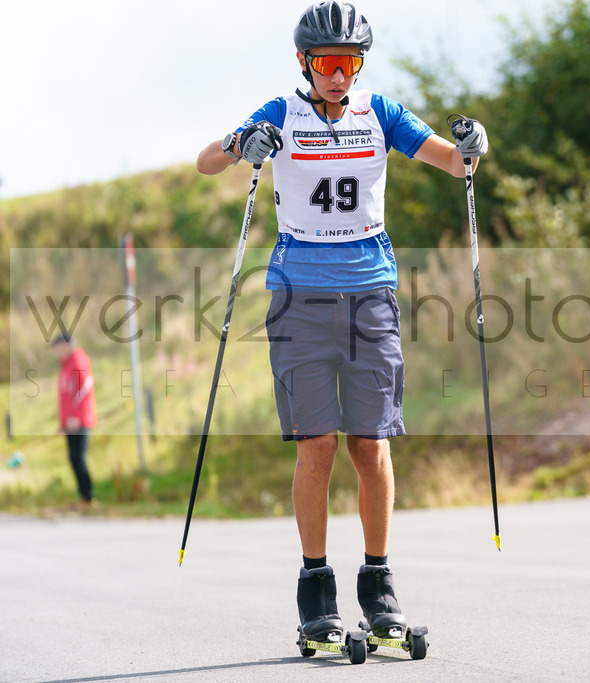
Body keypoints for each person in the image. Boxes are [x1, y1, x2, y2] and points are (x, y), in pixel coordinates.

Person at [196, 1, 488, 642]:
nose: (340, 76)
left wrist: (472, 147)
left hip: (371, 297)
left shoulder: (378, 112)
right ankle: (315, 590)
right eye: (329, 63)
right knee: (317, 445)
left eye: (351, 62)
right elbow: (207, 163)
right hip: (299, 299)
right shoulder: (281, 113)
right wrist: (244, 143)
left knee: (370, 443)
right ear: (305, 62)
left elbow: (454, 163)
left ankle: (379, 586)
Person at [52, 332, 98, 508]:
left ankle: (88, 497)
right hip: (70, 422)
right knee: (73, 458)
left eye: (58, 347)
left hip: (80, 420)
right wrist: (63, 421)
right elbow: (66, 395)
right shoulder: (65, 366)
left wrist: (76, 417)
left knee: (78, 457)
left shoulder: (78, 361)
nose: (55, 352)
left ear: (67, 345)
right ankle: (84, 497)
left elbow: (84, 389)